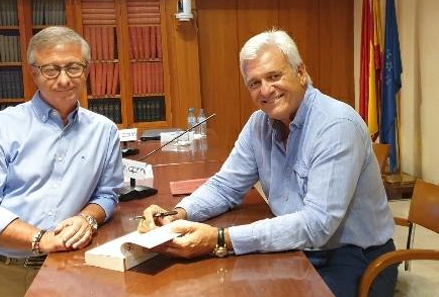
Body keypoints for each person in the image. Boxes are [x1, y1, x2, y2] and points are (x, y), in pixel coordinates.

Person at [139, 30, 398, 297]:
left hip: (350, 256)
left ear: (301, 72)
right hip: (296, 246)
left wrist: (220, 239)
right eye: (254, 83)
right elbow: (225, 186)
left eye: (274, 76)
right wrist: (177, 215)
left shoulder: (336, 126)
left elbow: (317, 225)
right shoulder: (258, 124)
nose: (265, 90)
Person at [0, 26, 124, 297]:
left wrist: (88, 218)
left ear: (86, 71)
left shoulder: (104, 131)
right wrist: (40, 239)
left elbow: (107, 193)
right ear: (34, 73)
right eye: (51, 70)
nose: (64, 80)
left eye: (74, 67)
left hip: (58, 270)